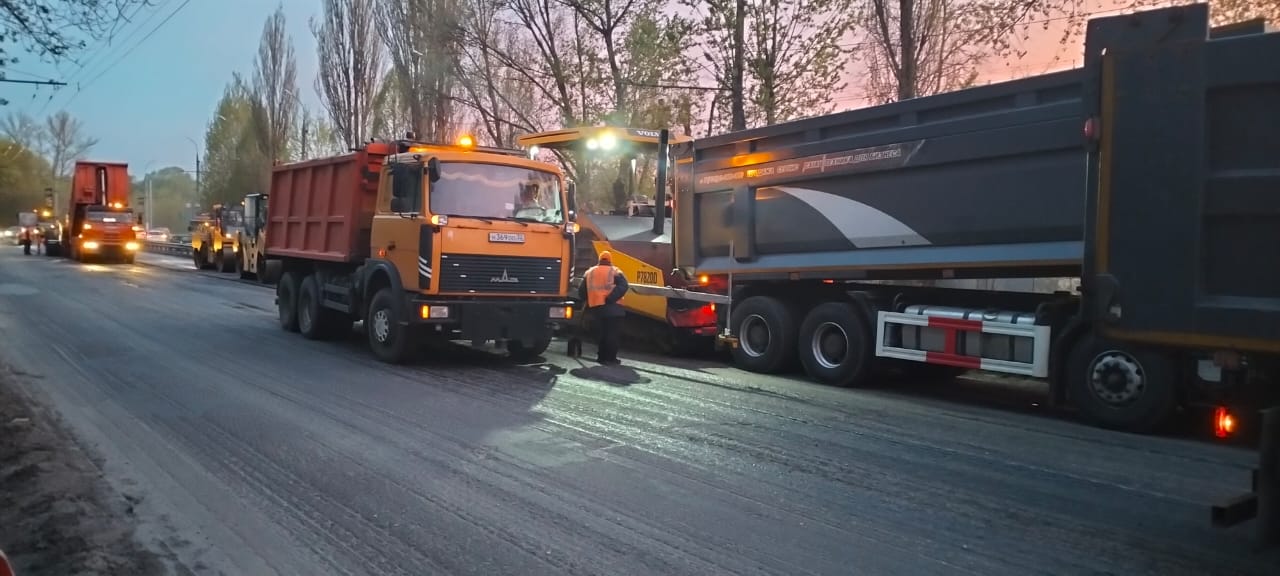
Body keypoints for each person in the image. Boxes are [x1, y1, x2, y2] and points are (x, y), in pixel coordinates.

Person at [582, 251, 628, 365]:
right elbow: (624, 286)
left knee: (601, 333)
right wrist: (611, 298)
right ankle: (611, 358)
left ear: (599, 259)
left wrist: (589, 299)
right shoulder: (615, 271)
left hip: (597, 308)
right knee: (612, 334)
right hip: (614, 308)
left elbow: (582, 291)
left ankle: (601, 357)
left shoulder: (589, 272)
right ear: (610, 260)